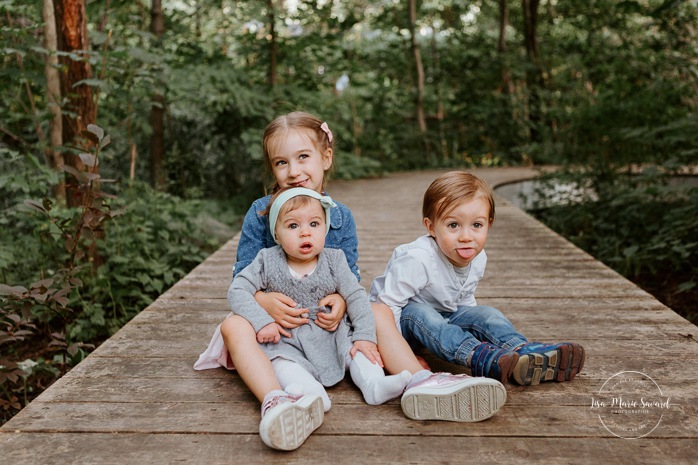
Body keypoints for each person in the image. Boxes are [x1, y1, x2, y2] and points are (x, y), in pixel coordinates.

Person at [194, 113, 505, 451]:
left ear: (325, 158)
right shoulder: (260, 212)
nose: (293, 171)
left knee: (379, 310)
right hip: (276, 328)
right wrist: (263, 303)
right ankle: (276, 400)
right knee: (233, 326)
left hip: (327, 323)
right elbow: (241, 276)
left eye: (303, 157)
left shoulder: (340, 216)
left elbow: (349, 276)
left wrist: (342, 301)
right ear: (272, 168)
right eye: (281, 162)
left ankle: (420, 381)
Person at [234, 187, 416, 449]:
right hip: (288, 339)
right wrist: (262, 321)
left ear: (325, 229)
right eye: (293, 225)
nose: (305, 232)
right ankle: (312, 396)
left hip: (332, 334)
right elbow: (237, 289)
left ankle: (375, 385)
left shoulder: (335, 259)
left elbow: (355, 296)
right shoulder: (266, 260)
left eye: (314, 224)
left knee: (359, 351)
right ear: (276, 233)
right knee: (282, 363)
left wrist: (365, 337)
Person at [370, 171, 586, 387]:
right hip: (400, 324)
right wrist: (401, 356)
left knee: (486, 314)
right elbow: (387, 308)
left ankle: (521, 352)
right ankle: (476, 355)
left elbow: (463, 301)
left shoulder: (478, 257)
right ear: (431, 227)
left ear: (489, 224)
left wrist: (474, 324)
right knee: (420, 312)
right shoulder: (418, 259)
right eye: (453, 225)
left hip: (442, 319)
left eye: (477, 225)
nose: (466, 236)